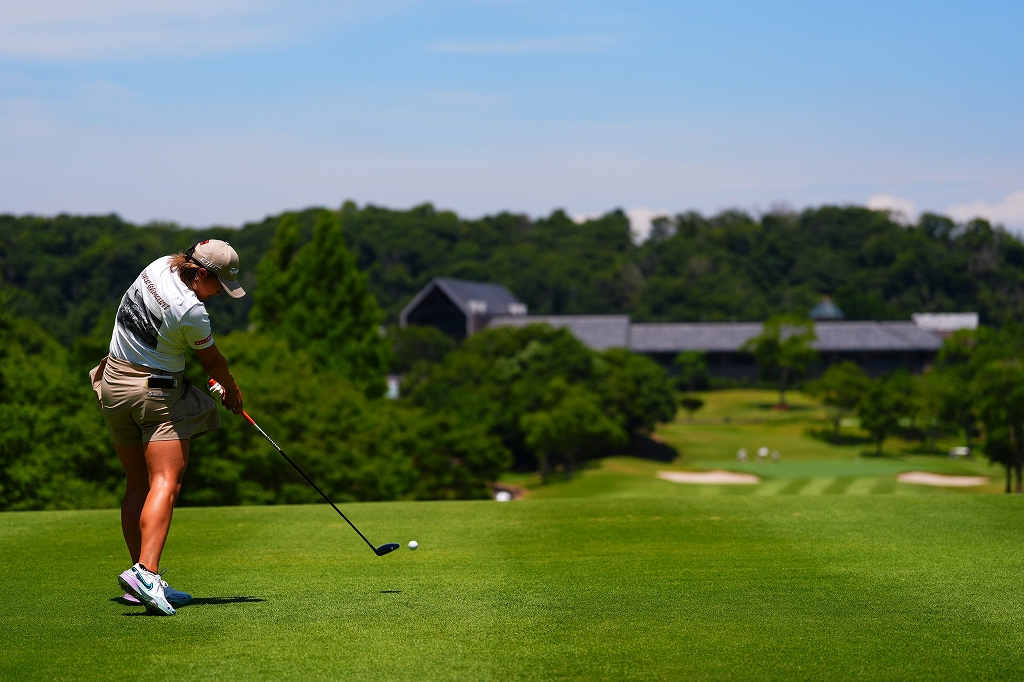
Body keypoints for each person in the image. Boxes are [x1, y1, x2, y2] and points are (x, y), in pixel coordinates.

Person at [89, 240, 245, 616]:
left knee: (137, 483)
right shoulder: (193, 310)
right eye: (218, 286)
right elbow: (213, 362)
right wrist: (234, 392)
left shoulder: (158, 265)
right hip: (155, 395)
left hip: (111, 384)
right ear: (201, 274)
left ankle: (141, 580)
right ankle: (146, 573)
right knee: (166, 480)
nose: (219, 295)